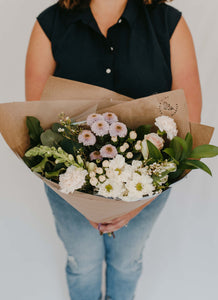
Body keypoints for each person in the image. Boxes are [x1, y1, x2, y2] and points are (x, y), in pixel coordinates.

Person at [25, 0, 202, 299]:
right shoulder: (50, 24)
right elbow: (36, 122)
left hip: (149, 186)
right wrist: (81, 195)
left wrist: (142, 198)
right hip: (68, 188)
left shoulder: (168, 23)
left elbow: (189, 121)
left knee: (127, 263)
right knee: (82, 265)